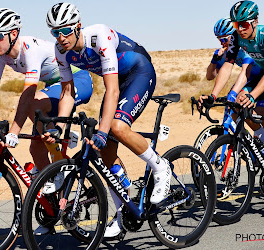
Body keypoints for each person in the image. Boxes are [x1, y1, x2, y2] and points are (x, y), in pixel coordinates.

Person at [45, 2, 171, 238]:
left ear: (78, 26)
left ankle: (160, 166)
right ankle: (124, 213)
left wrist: (103, 130)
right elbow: (67, 93)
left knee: (115, 126)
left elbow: (111, 90)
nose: (60, 37)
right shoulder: (61, 51)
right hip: (117, 84)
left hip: (139, 73)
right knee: (105, 151)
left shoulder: (98, 36)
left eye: (65, 30)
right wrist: (58, 127)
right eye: (55, 32)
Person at [0, 8, 93, 234]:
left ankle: (60, 161)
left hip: (77, 80)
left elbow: (28, 95)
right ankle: (51, 212)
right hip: (54, 88)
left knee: (35, 103)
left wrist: (14, 132)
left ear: (14, 33)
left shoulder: (30, 50)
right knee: (35, 148)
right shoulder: (0, 55)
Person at [199, 1, 264, 145]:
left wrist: (252, 96)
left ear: (255, 21)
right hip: (262, 76)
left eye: (243, 25)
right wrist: (213, 96)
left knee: (255, 104)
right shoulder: (237, 38)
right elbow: (227, 65)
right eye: (236, 25)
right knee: (238, 105)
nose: (239, 30)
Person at [206, 17, 262, 127]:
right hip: (252, 78)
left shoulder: (245, 47)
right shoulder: (227, 52)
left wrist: (233, 93)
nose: (222, 43)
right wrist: (214, 60)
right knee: (233, 107)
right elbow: (210, 76)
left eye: (224, 39)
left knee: (256, 110)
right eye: (219, 40)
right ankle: (243, 139)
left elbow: (245, 71)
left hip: (262, 76)